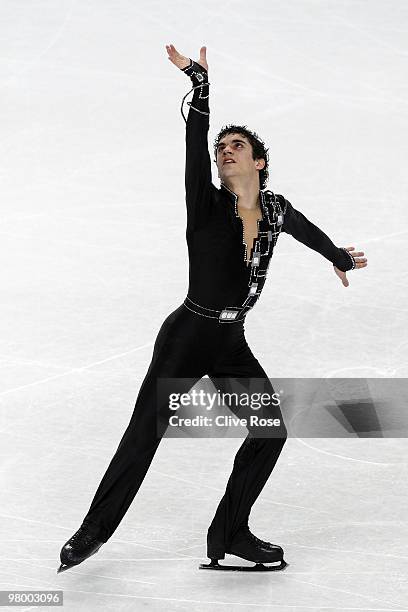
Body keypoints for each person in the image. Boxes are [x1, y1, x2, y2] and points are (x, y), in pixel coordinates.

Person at [57, 44, 367, 574]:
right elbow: (191, 145)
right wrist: (200, 88)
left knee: (270, 430)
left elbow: (305, 230)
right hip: (186, 336)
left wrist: (338, 256)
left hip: (230, 342)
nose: (225, 151)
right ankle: (92, 533)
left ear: (258, 161)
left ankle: (231, 533)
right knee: (144, 433)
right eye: (221, 146)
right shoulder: (205, 200)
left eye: (237, 145)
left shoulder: (273, 208)